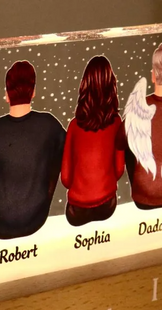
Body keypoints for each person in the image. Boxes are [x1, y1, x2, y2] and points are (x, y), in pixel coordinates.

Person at [0, 61, 65, 240]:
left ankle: (1, 208)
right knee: (56, 147)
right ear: (33, 93)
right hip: (36, 219)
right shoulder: (49, 124)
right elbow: (68, 152)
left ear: (7, 95)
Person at [61, 56, 125, 226]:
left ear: (84, 86)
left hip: (77, 210)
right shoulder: (116, 123)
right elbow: (119, 169)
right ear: (111, 86)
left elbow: (65, 179)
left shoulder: (74, 126)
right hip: (107, 206)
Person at [123, 43, 162, 209]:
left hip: (144, 198)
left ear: (153, 75)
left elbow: (120, 144)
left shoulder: (138, 108)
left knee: (129, 145)